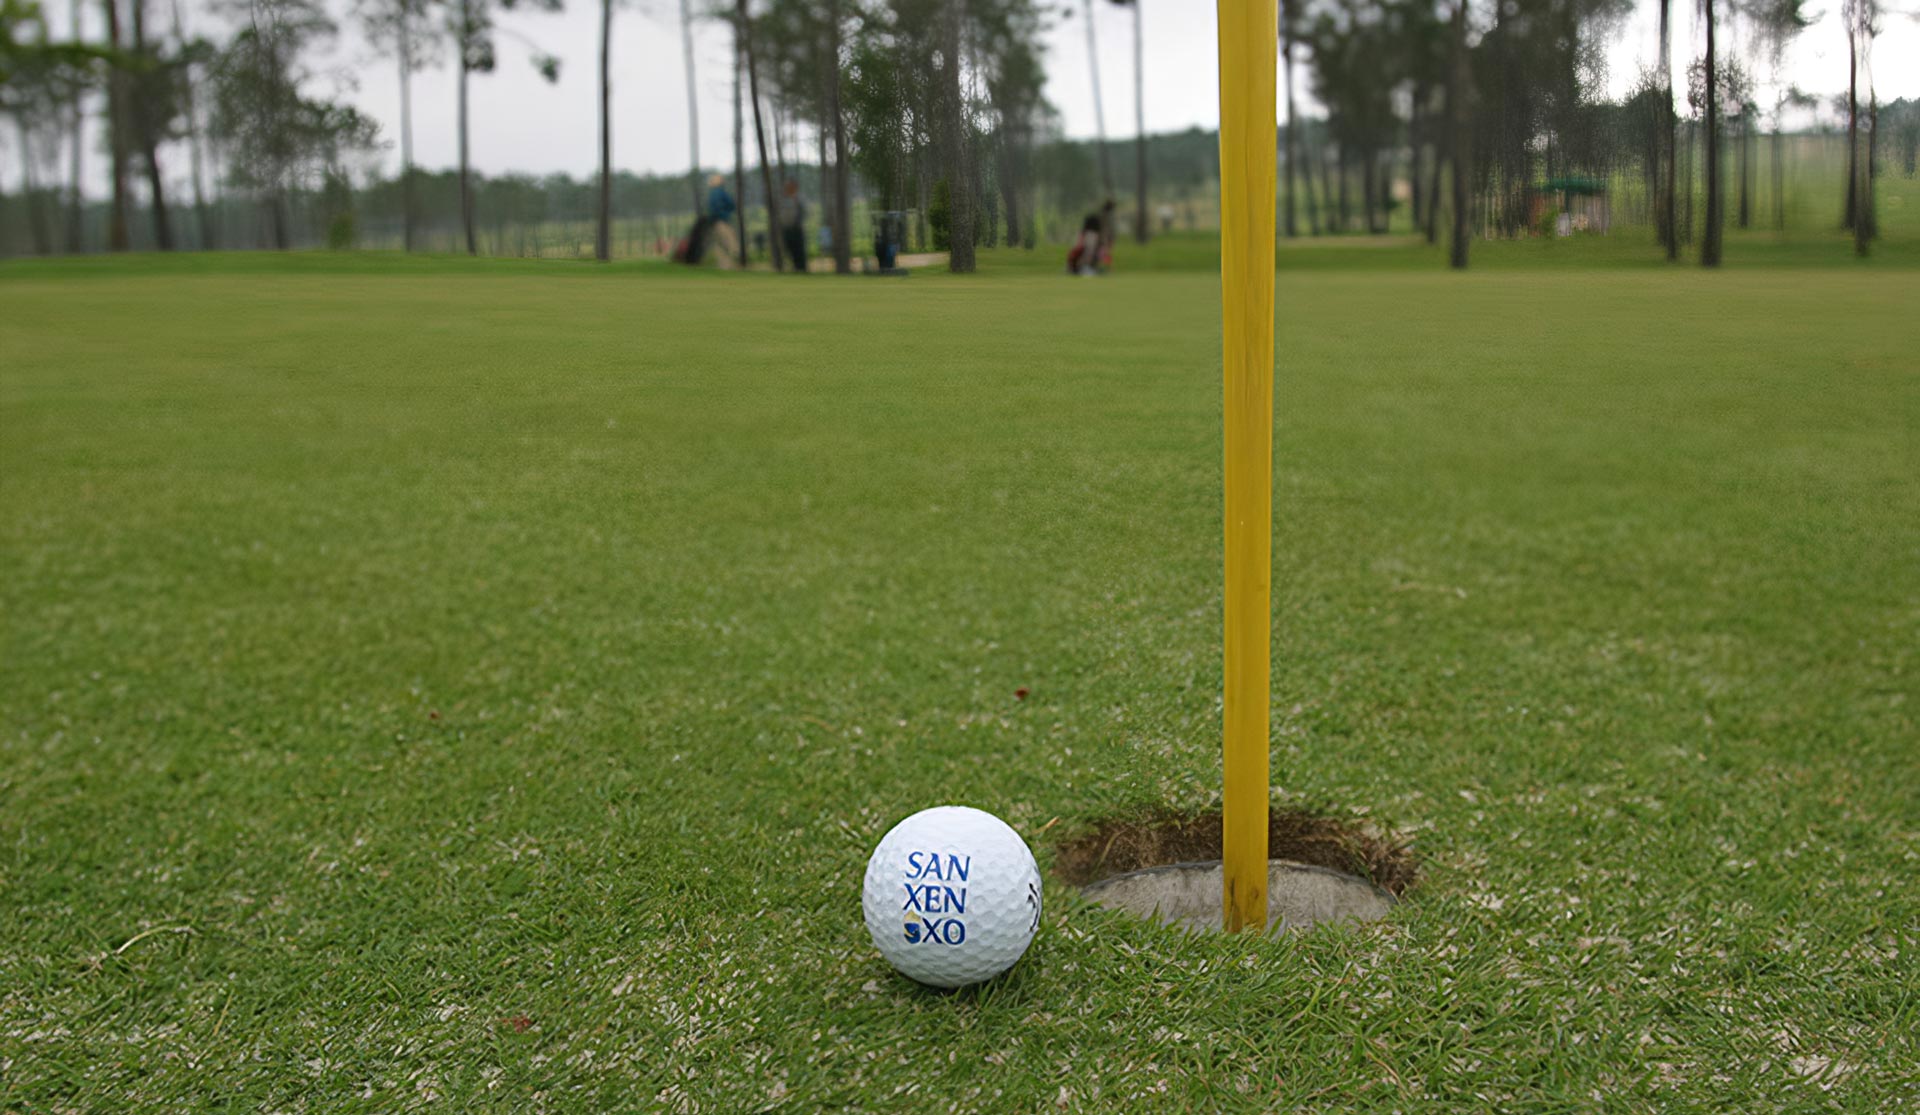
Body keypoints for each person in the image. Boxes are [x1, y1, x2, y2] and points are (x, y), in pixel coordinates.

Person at [704, 173, 741, 266]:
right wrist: (725, 213)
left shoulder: (712, 194)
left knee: (720, 245)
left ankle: (724, 265)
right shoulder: (720, 192)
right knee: (732, 244)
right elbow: (732, 205)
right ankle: (729, 265)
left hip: (714, 222)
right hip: (722, 222)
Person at [777, 180, 808, 273]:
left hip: (797, 228)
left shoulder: (798, 198)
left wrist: (798, 222)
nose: (789, 188)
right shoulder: (783, 199)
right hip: (786, 228)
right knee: (789, 248)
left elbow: (804, 212)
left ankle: (801, 268)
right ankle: (795, 267)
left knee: (799, 249)